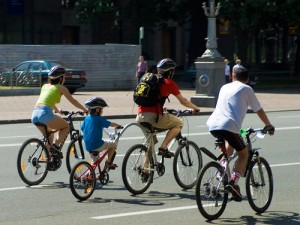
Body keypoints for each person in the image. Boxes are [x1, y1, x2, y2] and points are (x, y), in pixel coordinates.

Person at [206, 66, 275, 201]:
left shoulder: (224, 87)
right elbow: (258, 110)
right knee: (244, 154)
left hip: (213, 124)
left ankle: (221, 173)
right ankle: (233, 182)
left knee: (229, 149)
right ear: (247, 79)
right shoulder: (246, 89)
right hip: (229, 125)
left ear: (233, 77)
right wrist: (268, 125)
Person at [136, 58, 200, 158]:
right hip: (153, 117)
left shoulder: (152, 81)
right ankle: (163, 147)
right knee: (179, 123)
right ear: (170, 71)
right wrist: (195, 108)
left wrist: (161, 108)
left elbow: (154, 99)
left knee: (150, 143)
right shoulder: (169, 83)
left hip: (140, 116)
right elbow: (183, 101)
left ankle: (146, 170)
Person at [31, 66, 88, 156]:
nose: (64, 79)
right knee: (66, 126)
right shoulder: (61, 88)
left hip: (35, 114)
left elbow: (47, 101)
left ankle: (48, 159)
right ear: (61, 78)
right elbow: (73, 101)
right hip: (45, 113)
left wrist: (58, 110)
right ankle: (56, 146)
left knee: (50, 135)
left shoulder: (45, 86)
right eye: (64, 77)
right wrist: (84, 109)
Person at [81, 97, 122, 169]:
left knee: (95, 162)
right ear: (97, 109)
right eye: (101, 109)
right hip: (97, 144)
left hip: (87, 145)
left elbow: (82, 128)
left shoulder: (86, 118)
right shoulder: (99, 119)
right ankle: (109, 162)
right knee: (113, 144)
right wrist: (118, 125)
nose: (102, 111)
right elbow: (110, 124)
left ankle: (89, 176)